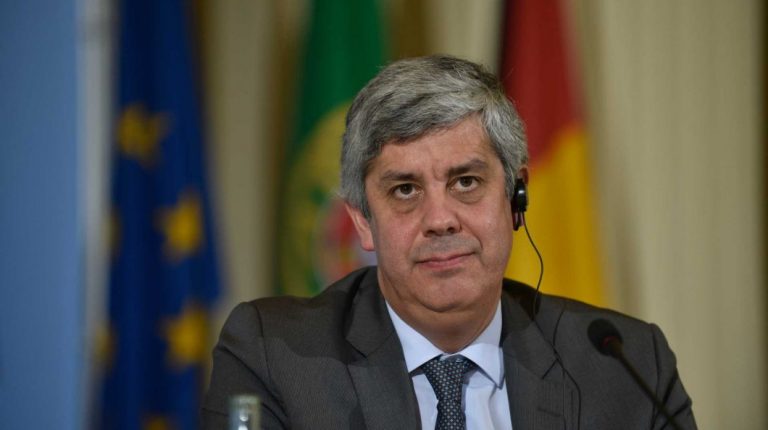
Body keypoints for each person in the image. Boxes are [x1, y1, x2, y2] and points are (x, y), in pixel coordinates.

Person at [202, 55, 696, 429]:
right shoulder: (274, 356)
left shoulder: (626, 366)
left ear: (516, 197)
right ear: (363, 222)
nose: (440, 220)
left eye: (465, 182)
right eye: (405, 190)